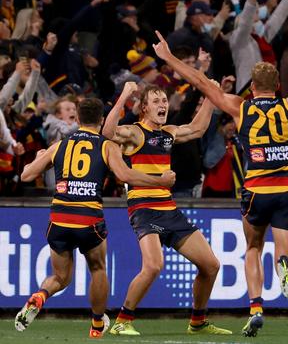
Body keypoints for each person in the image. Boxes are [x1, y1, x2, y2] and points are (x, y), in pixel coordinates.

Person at [152, 25, 288, 337]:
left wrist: (169, 57)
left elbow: (200, 82)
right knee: (287, 253)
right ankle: (285, 267)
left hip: (256, 190)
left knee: (253, 248)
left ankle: (256, 306)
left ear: (252, 86)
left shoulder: (240, 107)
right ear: (278, 85)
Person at [14, 98, 175, 338]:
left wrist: (39, 157)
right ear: (101, 121)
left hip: (59, 218)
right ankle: (98, 325)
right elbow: (126, 175)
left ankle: (41, 295)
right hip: (88, 219)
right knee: (98, 269)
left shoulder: (60, 145)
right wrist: (160, 181)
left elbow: (26, 175)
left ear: (77, 119)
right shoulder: (106, 145)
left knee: (60, 276)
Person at [101, 83, 230, 336]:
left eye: (164, 100)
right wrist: (125, 95)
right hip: (144, 209)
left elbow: (197, 128)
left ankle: (198, 322)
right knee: (153, 266)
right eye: (156, 101)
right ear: (144, 108)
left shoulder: (168, 133)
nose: (163, 104)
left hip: (169, 209)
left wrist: (211, 96)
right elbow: (107, 132)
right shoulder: (135, 133)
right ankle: (122, 321)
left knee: (211, 265)